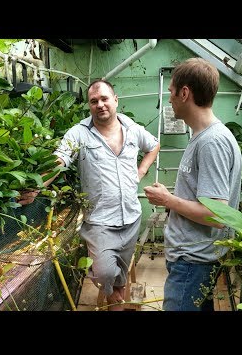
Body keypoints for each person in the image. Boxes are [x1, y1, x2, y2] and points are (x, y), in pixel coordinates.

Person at [19, 79, 160, 311]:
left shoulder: (133, 129)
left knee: (121, 276)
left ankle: (116, 303)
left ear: (115, 100)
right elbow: (60, 159)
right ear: (89, 106)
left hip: (131, 217)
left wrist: (142, 170)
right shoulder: (79, 134)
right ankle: (114, 297)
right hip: (100, 222)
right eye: (94, 101)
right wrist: (37, 186)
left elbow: (154, 145)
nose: (100, 105)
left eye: (105, 99)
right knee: (105, 272)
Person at [144, 58, 242, 311]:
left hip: (193, 262)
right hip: (192, 260)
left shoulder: (212, 143)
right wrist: (173, 199)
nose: (169, 99)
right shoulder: (202, 136)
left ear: (184, 93)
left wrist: (168, 200)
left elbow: (216, 215)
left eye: (172, 93)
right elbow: (204, 199)